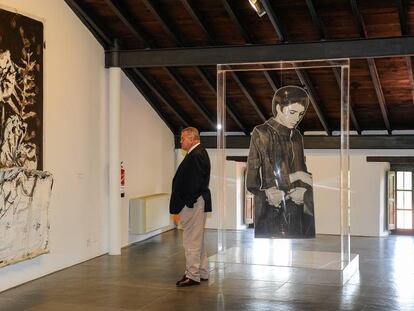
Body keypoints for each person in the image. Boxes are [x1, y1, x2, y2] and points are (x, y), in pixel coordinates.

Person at [246, 86, 315, 238]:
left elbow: (302, 169)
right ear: (278, 108)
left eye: (300, 114)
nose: (297, 118)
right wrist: (265, 193)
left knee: (297, 255)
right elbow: (252, 179)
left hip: (295, 210)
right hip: (271, 208)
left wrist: (303, 191)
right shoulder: (261, 132)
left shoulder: (296, 136)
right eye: (292, 112)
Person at [170, 127, 212, 287]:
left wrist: (187, 202)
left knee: (191, 241)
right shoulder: (197, 153)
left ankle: (192, 275)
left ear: (193, 138)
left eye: (183, 138)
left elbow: (195, 183)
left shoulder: (197, 154)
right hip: (194, 203)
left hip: (193, 204)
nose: (181, 141)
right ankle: (201, 271)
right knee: (197, 240)